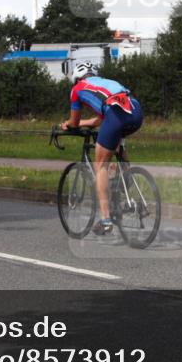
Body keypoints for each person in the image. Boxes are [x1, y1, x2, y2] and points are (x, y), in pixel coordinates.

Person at [61, 61, 143, 234]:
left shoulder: (77, 89)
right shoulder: (107, 83)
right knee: (115, 146)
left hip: (115, 115)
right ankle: (125, 182)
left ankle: (105, 220)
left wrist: (67, 124)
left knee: (101, 166)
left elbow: (74, 122)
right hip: (136, 111)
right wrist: (85, 123)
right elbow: (99, 120)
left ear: (77, 79)